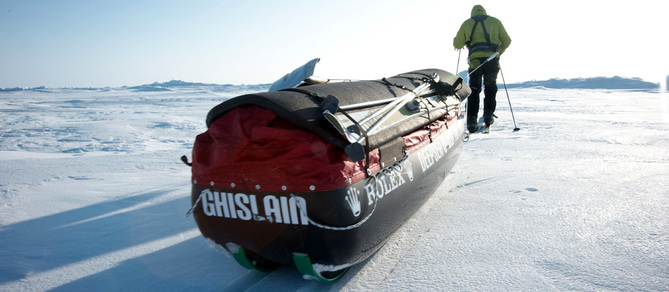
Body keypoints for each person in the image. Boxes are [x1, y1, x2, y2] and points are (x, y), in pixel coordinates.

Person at [454, 5, 511, 133]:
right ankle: (488, 115)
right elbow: (507, 40)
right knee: (490, 86)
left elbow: (457, 44)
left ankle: (472, 122)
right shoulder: (495, 22)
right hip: (492, 60)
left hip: (475, 61)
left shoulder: (467, 24)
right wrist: (499, 52)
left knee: (474, 89)